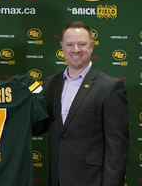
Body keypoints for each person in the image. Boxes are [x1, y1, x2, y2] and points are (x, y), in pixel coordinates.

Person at [41, 21, 129, 186]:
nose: (75, 50)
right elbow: (38, 125)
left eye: (82, 44)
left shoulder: (110, 87)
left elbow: (117, 147)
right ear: (62, 46)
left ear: (92, 46)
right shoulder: (50, 83)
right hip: (57, 179)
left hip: (92, 180)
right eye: (70, 44)